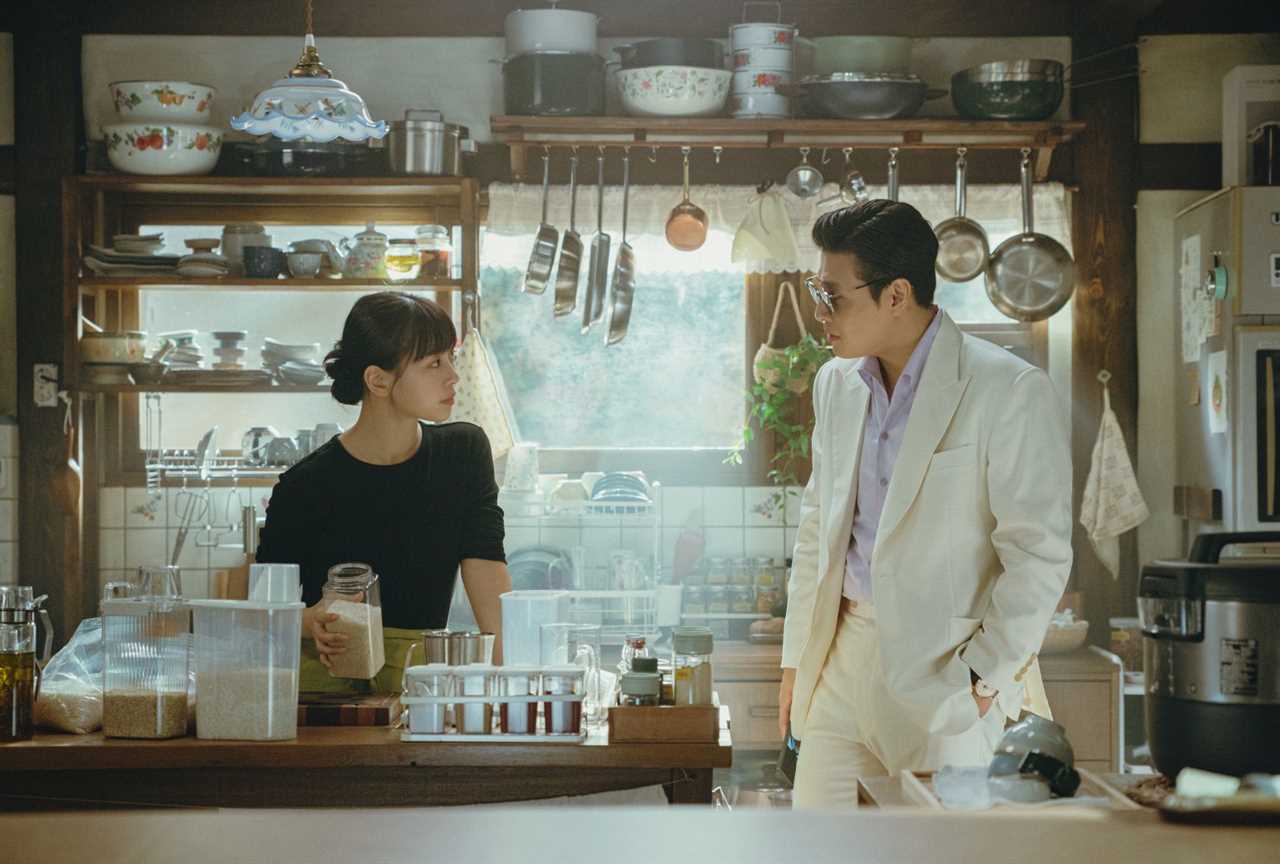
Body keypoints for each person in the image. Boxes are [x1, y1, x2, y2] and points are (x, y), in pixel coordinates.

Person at [779, 200, 1072, 808]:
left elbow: (1038, 553)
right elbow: (818, 529)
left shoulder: (1009, 388)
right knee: (813, 846)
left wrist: (984, 679)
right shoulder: (835, 384)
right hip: (840, 660)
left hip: (948, 674)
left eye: (833, 296)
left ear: (896, 294)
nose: (821, 313)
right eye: (817, 291)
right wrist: (793, 667)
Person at [257, 291, 511, 693]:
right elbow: (262, 618)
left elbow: (486, 570)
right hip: (324, 697)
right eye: (434, 364)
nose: (453, 376)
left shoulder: (463, 452)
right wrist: (310, 623)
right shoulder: (303, 487)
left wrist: (513, 684)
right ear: (377, 379)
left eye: (449, 358)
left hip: (421, 687)